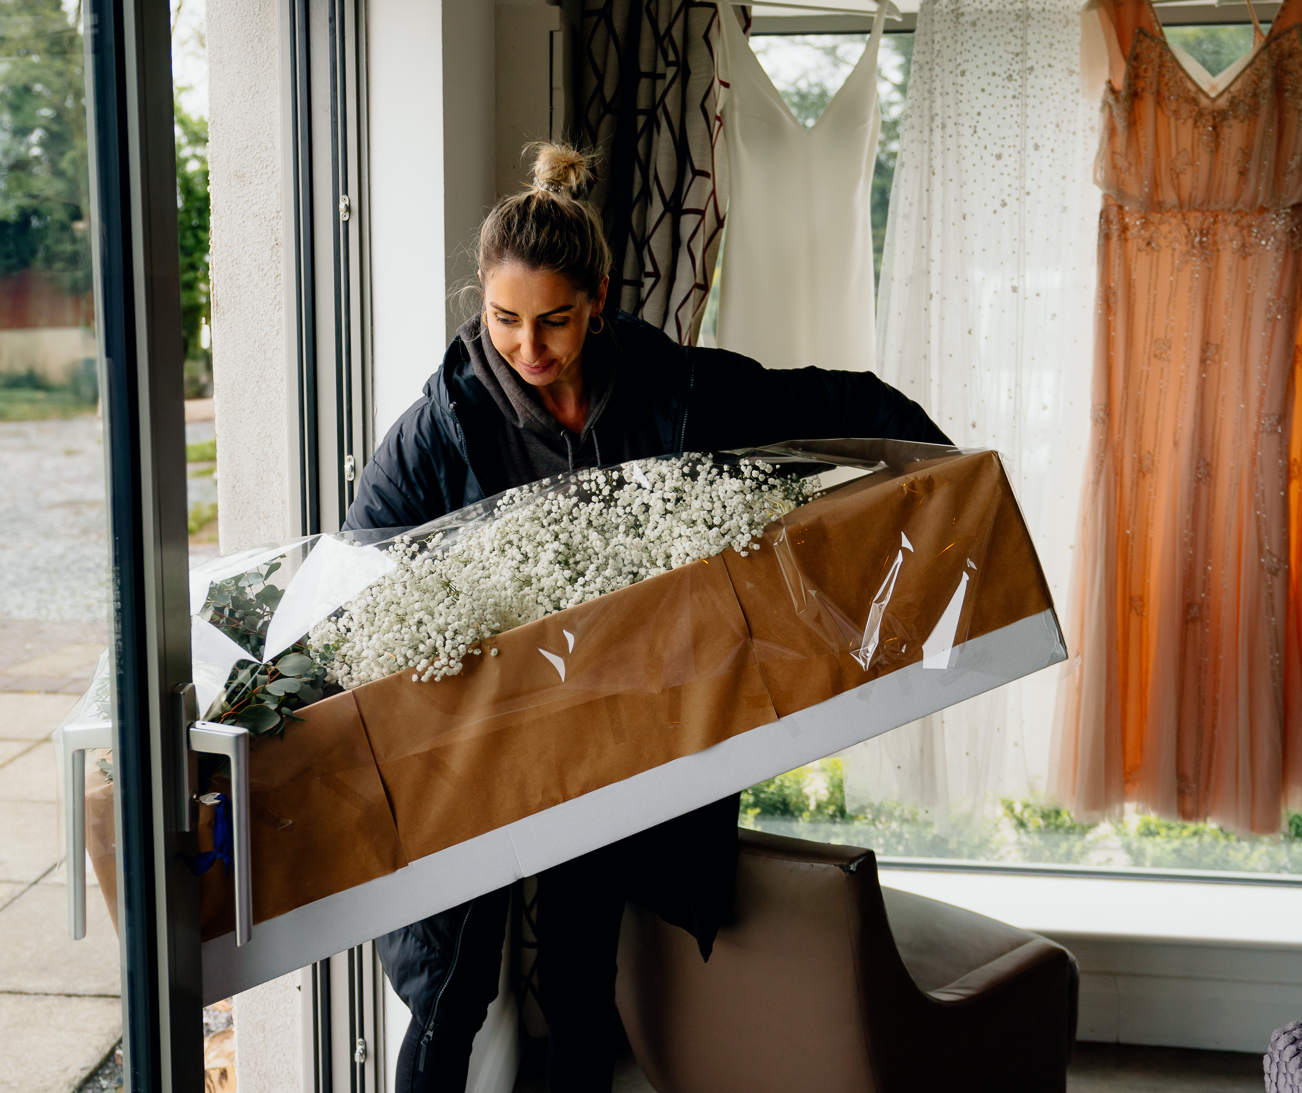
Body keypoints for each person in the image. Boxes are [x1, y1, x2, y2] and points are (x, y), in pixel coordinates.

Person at [346, 144, 950, 1093]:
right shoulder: (446, 420)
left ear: (597, 296)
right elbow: (362, 553)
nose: (529, 348)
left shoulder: (679, 392)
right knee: (452, 987)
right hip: (480, 739)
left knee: (580, 973)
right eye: (504, 320)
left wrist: (945, 475)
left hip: (612, 735)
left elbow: (833, 402)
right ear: (481, 298)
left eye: (553, 320)